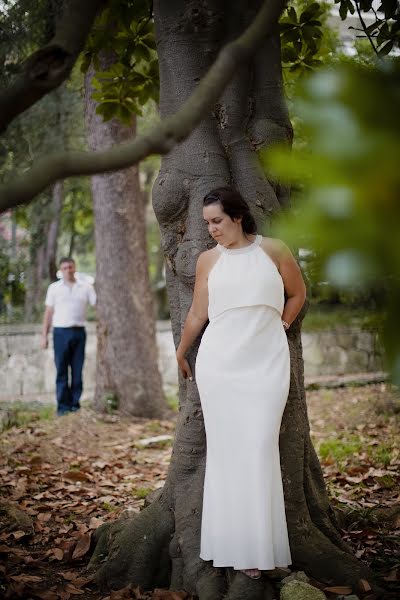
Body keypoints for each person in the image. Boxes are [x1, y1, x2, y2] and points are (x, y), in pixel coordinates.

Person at [176, 186, 306, 580]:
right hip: (220, 366)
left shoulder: (274, 250)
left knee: (259, 445)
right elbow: (199, 312)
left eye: (217, 221)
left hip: (266, 362)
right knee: (228, 452)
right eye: (207, 223)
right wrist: (182, 352)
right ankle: (231, 548)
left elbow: (298, 293)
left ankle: (264, 547)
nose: (211, 229)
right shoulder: (207, 261)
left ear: (238, 216)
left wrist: (278, 326)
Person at [41, 257, 96, 416]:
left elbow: (98, 306)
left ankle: (75, 405)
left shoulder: (86, 287)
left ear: (75, 268)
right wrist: (44, 335)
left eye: (70, 267)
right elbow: (48, 313)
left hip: (79, 332)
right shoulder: (54, 288)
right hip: (60, 332)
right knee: (62, 370)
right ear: (60, 270)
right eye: (64, 268)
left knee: (77, 370)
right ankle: (63, 407)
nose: (68, 270)